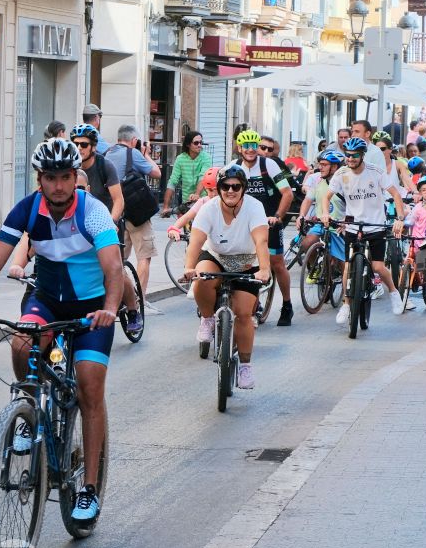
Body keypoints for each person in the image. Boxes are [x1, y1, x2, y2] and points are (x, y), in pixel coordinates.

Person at [0, 138, 122, 525]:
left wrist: (110, 310)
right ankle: (29, 408)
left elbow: (113, 267)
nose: (59, 186)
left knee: (89, 385)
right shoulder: (27, 210)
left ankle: (89, 488)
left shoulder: (94, 212)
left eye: (65, 177)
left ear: (75, 177)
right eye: (51, 178)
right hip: (46, 300)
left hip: (91, 308)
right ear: (39, 179)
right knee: (21, 345)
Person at [181, 164, 271, 389]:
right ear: (219, 188)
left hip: (247, 261)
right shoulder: (208, 209)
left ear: (243, 188)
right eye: (225, 186)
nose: (230, 191)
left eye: (236, 186)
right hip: (216, 256)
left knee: (243, 314)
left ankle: (245, 366)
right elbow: (196, 241)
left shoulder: (254, 207)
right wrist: (189, 267)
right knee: (202, 279)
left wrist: (264, 269)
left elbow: (261, 241)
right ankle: (208, 318)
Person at [320, 136, 407, 319]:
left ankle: (393, 292)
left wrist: (400, 219)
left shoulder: (375, 172)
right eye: (348, 155)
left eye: (355, 155)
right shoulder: (341, 173)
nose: (350, 158)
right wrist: (325, 214)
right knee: (348, 266)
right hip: (353, 225)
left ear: (362, 155)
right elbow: (326, 197)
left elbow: (395, 194)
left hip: (375, 224)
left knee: (378, 267)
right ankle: (346, 304)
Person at [233, 129, 297, 326]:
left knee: (277, 263)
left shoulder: (268, 165)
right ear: (239, 148)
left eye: (254, 146)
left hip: (270, 220)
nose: (250, 150)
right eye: (246, 146)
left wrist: (277, 217)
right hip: (246, 223)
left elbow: (287, 193)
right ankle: (252, 303)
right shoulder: (234, 167)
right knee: (245, 263)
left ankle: (287, 304)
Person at [106, 125, 163, 318]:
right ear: (134, 140)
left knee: (118, 259)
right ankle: (139, 301)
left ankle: (120, 298)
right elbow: (156, 173)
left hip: (116, 215)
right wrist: (145, 154)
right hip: (138, 214)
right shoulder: (133, 154)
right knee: (144, 256)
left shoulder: (106, 154)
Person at [297, 150, 347, 260]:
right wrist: (301, 216)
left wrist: (346, 221)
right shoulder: (319, 182)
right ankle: (314, 267)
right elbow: (307, 200)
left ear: (334, 167)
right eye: (320, 164)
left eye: (324, 165)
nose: (320, 167)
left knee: (341, 263)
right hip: (320, 224)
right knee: (306, 243)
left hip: (340, 226)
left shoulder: (345, 183)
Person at [161, 131, 212, 216]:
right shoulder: (180, 159)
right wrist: (166, 207)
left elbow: (203, 176)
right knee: (185, 223)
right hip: (186, 202)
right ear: (188, 144)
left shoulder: (206, 157)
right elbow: (173, 181)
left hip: (203, 200)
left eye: (201, 142)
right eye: (196, 143)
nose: (199, 145)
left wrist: (197, 194)